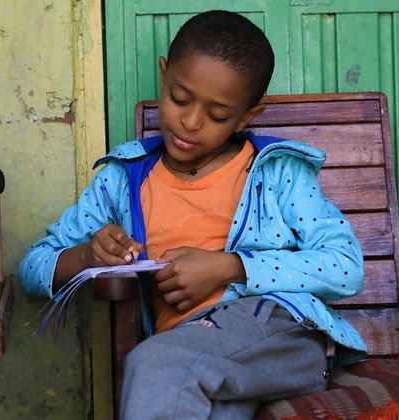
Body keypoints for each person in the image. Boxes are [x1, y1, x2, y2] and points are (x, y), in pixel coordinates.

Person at [19, 10, 366, 419]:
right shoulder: (123, 179)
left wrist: (229, 267)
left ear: (248, 115)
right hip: (196, 352)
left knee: (157, 364)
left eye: (217, 115)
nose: (190, 121)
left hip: (279, 332)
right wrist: (87, 258)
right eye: (179, 98)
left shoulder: (276, 172)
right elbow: (31, 268)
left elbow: (345, 267)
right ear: (164, 77)